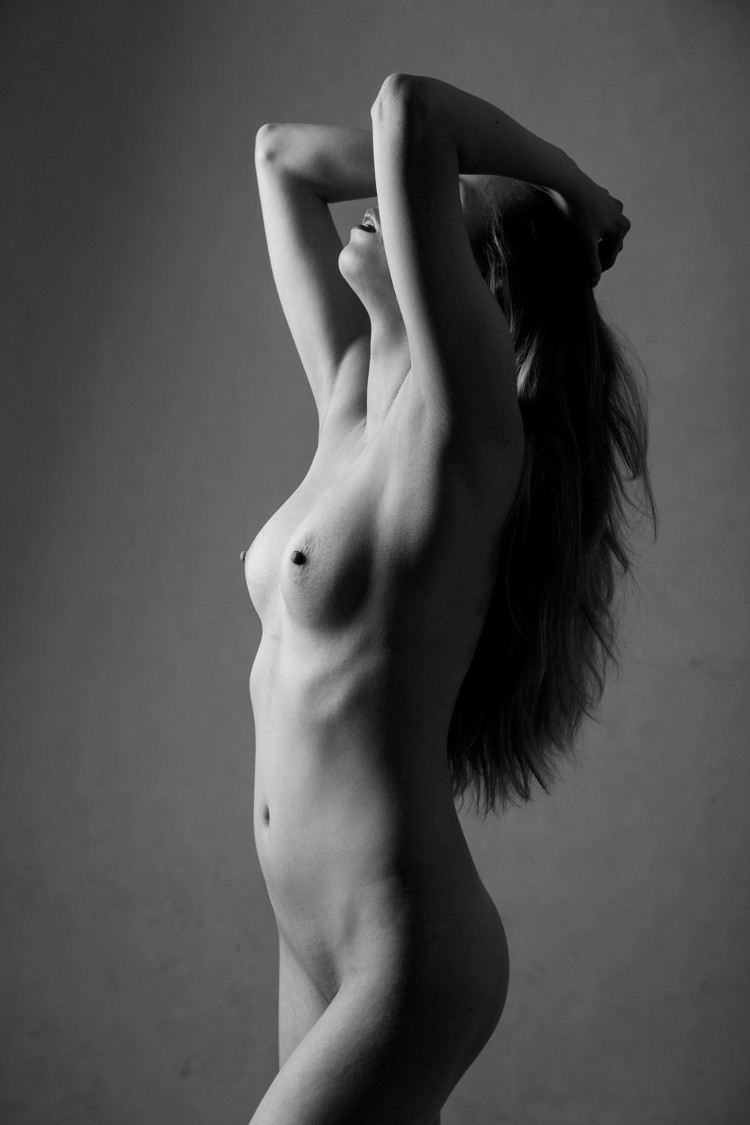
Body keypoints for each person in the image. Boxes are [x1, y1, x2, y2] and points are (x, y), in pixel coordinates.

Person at [244, 74, 655, 1124]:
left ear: (481, 286)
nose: (385, 196)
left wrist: (570, 189)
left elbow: (410, 114)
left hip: (406, 950)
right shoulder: (350, 398)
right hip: (309, 929)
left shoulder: (469, 431)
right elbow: (281, 157)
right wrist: (495, 190)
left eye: (432, 200)